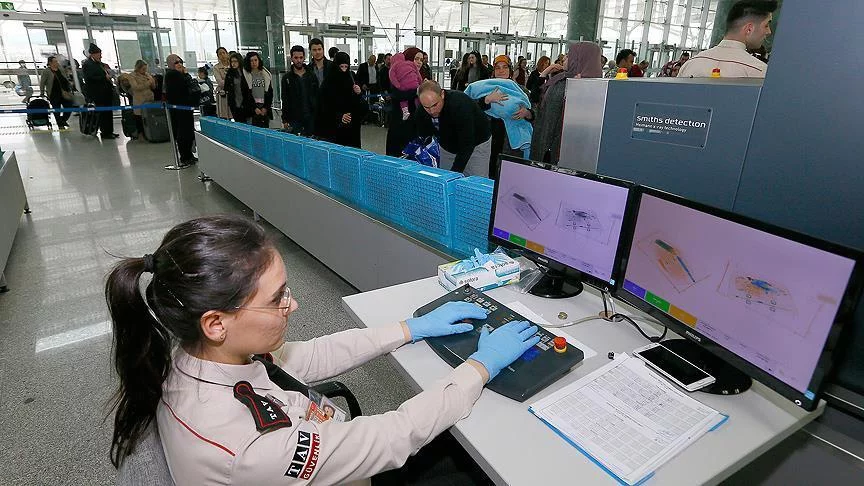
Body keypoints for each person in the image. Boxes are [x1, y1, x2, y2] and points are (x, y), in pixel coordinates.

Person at [106, 215, 539, 484]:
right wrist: (481, 366)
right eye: (277, 298)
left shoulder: (198, 357)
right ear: (216, 322)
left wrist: (410, 328)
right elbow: (391, 438)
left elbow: (309, 356)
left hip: (332, 452)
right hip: (340, 466)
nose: (293, 304)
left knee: (460, 445)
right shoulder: (249, 446)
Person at [530, 41, 603, 164]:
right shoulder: (600, 86)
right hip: (585, 155)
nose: (564, 58)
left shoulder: (563, 85)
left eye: (569, 55)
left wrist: (538, 157)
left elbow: (547, 125)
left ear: (578, 59)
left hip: (556, 154)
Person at [466, 54, 534, 180]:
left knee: (510, 178)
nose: (501, 70)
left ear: (510, 70)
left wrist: (527, 113)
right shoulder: (484, 88)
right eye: (497, 68)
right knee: (489, 175)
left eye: (505, 67)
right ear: (493, 71)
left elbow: (535, 112)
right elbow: (468, 108)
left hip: (511, 144)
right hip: (488, 141)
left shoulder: (521, 90)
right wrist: (486, 100)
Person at [678, 0, 776, 78]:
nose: (769, 32)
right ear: (749, 29)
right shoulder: (759, 72)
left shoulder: (690, 65)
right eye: (766, 25)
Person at [414, 80, 492, 176]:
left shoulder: (459, 104)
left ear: (442, 94)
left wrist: (453, 174)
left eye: (435, 105)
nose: (432, 111)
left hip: (477, 143)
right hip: (448, 145)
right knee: (445, 180)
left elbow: (467, 144)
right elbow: (422, 138)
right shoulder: (420, 112)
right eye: (426, 107)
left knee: (476, 184)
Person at [316, 52, 366, 148]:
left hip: (352, 130)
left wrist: (359, 93)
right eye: (341, 67)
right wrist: (339, 117)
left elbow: (362, 106)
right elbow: (323, 108)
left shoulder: (352, 79)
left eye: (346, 67)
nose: (343, 70)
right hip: (334, 132)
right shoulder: (328, 83)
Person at [163, 54, 199, 168]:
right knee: (183, 132)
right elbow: (184, 86)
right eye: (176, 63)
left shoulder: (179, 75)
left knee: (188, 131)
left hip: (185, 107)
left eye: (180, 62)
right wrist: (186, 75)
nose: (179, 65)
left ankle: (188, 155)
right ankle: (185, 156)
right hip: (179, 109)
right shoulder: (172, 75)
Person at [280, 45, 319, 136]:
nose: (299, 60)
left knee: (311, 142)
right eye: (296, 58)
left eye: (301, 57)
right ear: (292, 58)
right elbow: (285, 99)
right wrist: (285, 119)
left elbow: (317, 95)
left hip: (310, 116)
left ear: (304, 57)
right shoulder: (287, 78)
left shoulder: (311, 75)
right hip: (294, 117)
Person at [82, 44, 119, 138]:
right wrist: (104, 77)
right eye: (99, 54)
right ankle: (105, 132)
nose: (100, 56)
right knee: (103, 113)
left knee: (108, 112)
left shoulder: (99, 64)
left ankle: (109, 131)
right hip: (98, 93)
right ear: (93, 54)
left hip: (106, 92)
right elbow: (89, 78)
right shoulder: (87, 64)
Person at [120, 60, 155, 139]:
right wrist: (149, 82)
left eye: (145, 69)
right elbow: (135, 87)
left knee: (149, 118)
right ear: (138, 68)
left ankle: (150, 134)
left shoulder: (147, 75)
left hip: (149, 99)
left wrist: (152, 82)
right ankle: (141, 135)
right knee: (139, 119)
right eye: (143, 69)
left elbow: (153, 87)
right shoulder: (132, 76)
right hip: (139, 100)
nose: (144, 71)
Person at [388, 48, 423, 121]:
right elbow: (400, 95)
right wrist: (418, 91)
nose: (419, 62)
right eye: (416, 59)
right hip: (401, 122)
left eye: (421, 60)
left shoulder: (421, 74)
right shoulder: (398, 77)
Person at [241, 52, 274, 128]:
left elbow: (270, 92)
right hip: (252, 108)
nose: (254, 63)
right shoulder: (245, 75)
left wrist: (266, 107)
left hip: (264, 106)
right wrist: (254, 108)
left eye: (255, 60)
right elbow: (245, 94)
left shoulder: (265, 74)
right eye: (251, 61)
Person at [39, 56, 73, 129]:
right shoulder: (46, 71)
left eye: (57, 61)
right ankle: (60, 124)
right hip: (53, 93)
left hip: (64, 92)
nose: (57, 62)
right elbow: (42, 82)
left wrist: (69, 84)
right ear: (50, 63)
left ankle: (63, 120)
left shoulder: (60, 69)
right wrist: (42, 92)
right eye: (55, 61)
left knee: (69, 106)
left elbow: (65, 78)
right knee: (56, 109)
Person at [223, 52, 248, 123]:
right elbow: (226, 87)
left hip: (245, 100)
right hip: (234, 101)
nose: (233, 63)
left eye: (235, 61)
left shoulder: (245, 72)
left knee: (246, 122)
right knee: (238, 121)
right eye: (231, 62)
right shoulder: (230, 73)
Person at [213, 47, 232, 119]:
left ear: (227, 54)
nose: (222, 55)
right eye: (220, 54)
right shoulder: (216, 67)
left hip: (234, 93)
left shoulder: (232, 65)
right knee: (224, 115)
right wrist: (231, 81)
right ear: (218, 57)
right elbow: (220, 82)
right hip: (223, 94)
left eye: (224, 53)